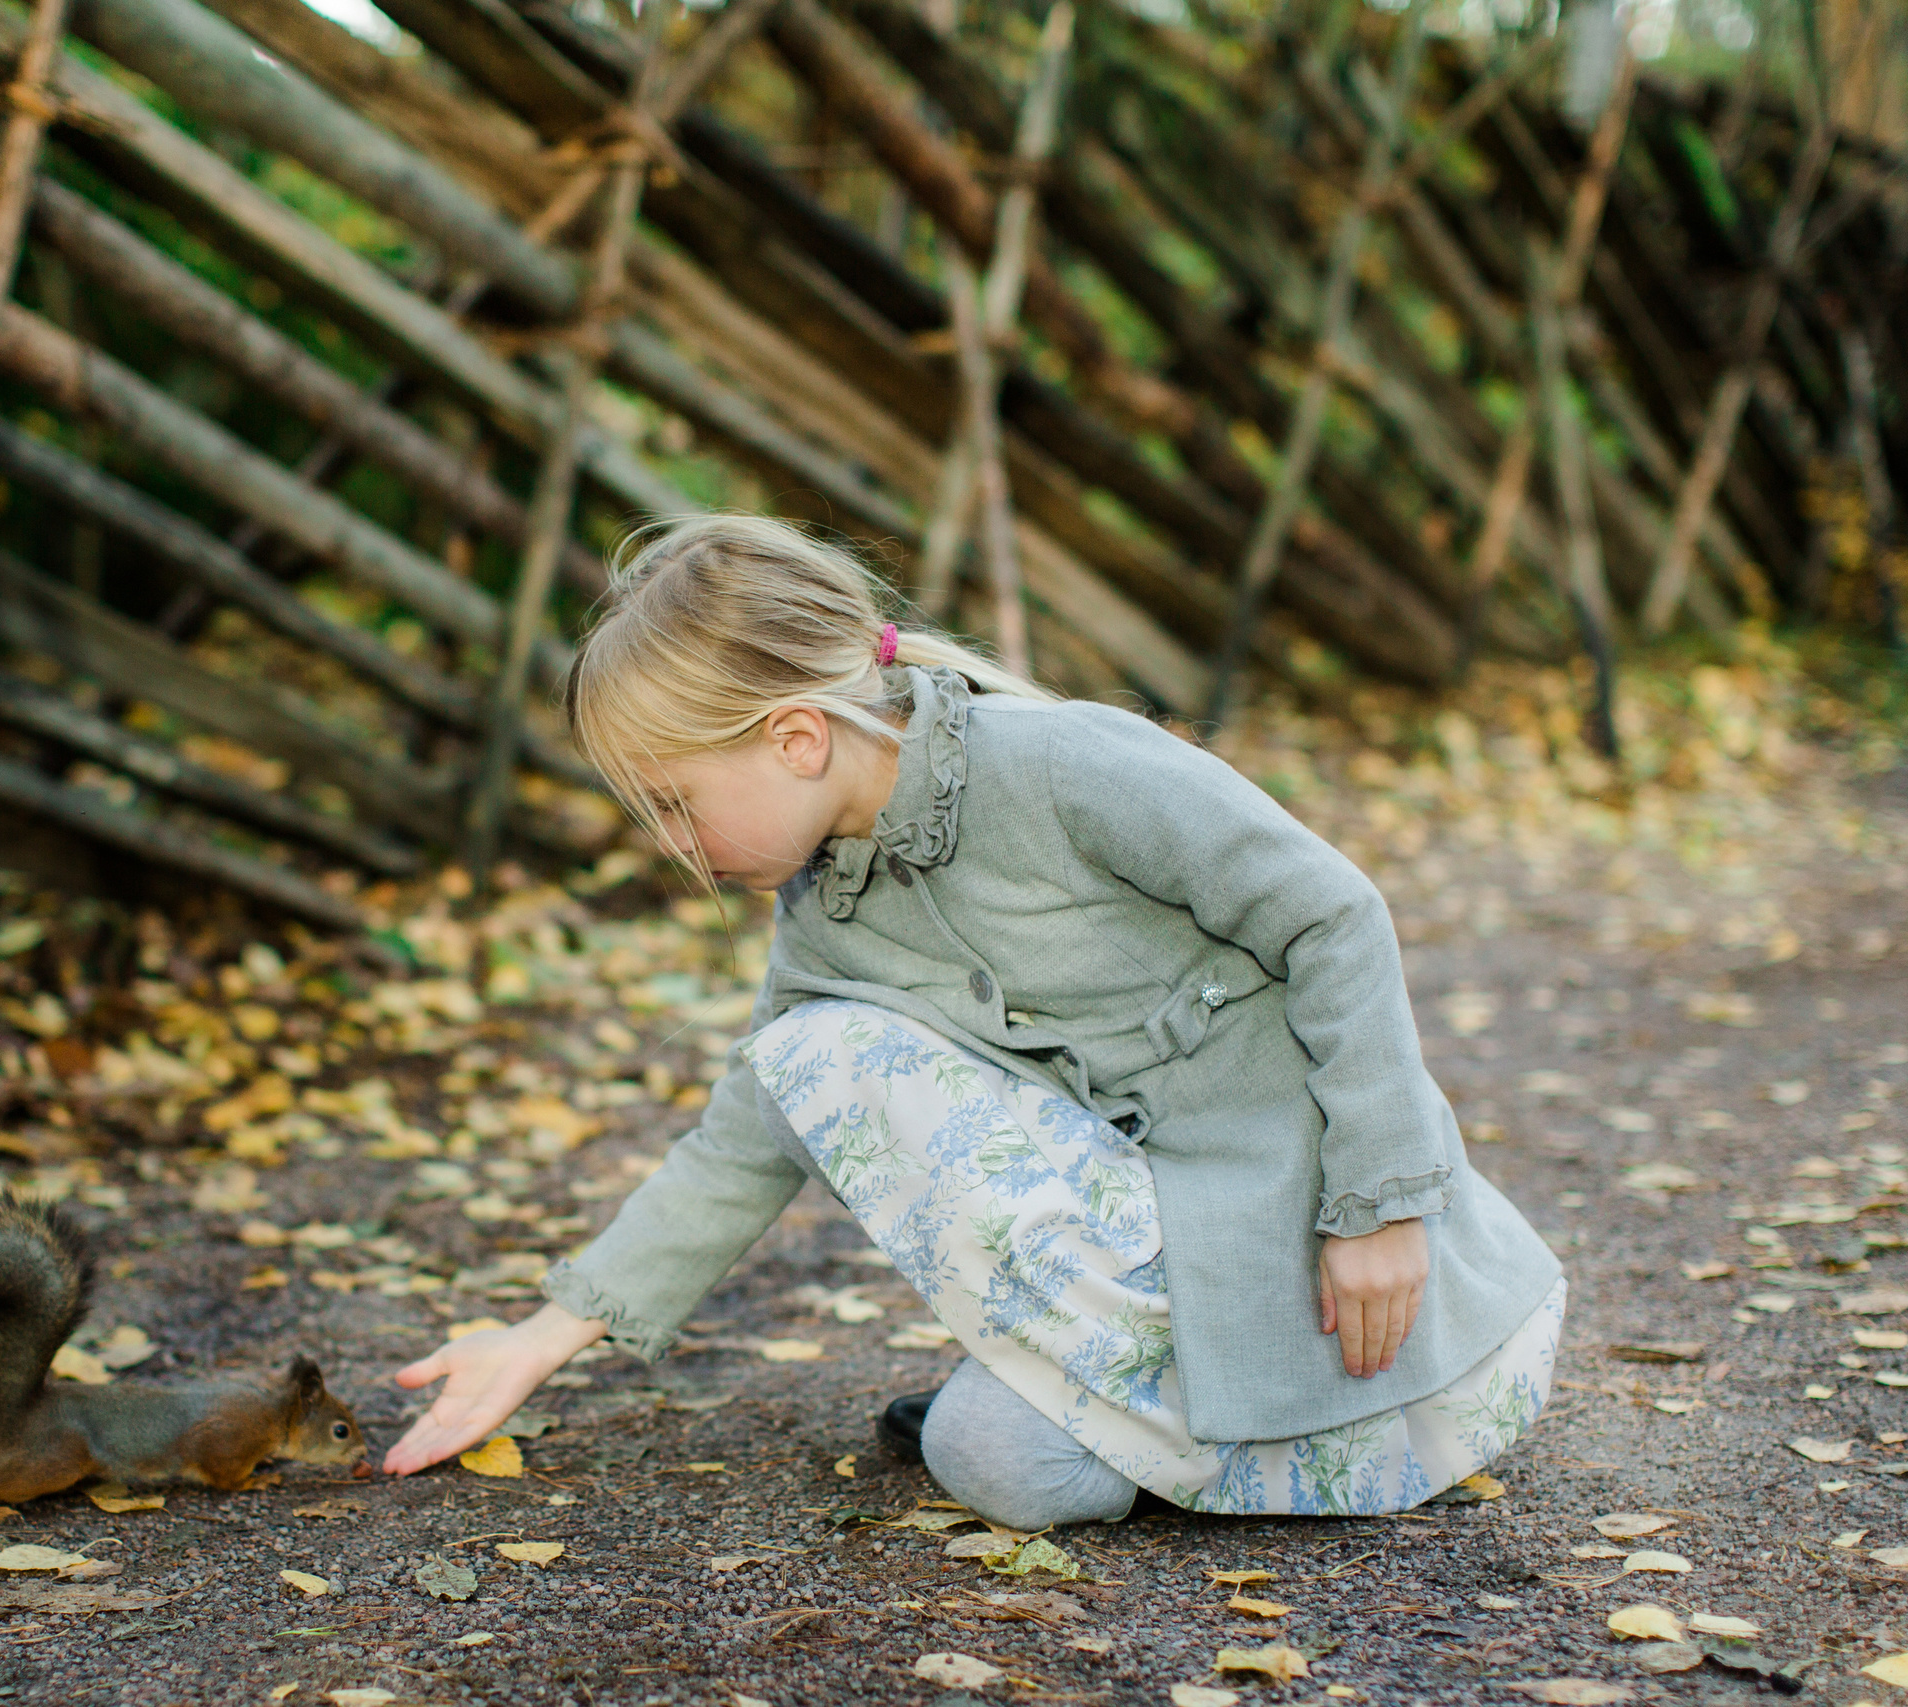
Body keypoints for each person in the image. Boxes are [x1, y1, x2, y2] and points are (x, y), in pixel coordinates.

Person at [383, 514, 1563, 1525]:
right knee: (986, 1455)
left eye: (678, 806)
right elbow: (744, 1137)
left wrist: (1379, 1205)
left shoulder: (1062, 762)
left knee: (825, 1056)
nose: (671, 850)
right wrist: (541, 1336)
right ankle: (1176, 1416)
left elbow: (1334, 918)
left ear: (795, 738)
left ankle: (1235, 1415)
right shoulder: (826, 911)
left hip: (1323, 1238)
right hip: (1166, 1251)